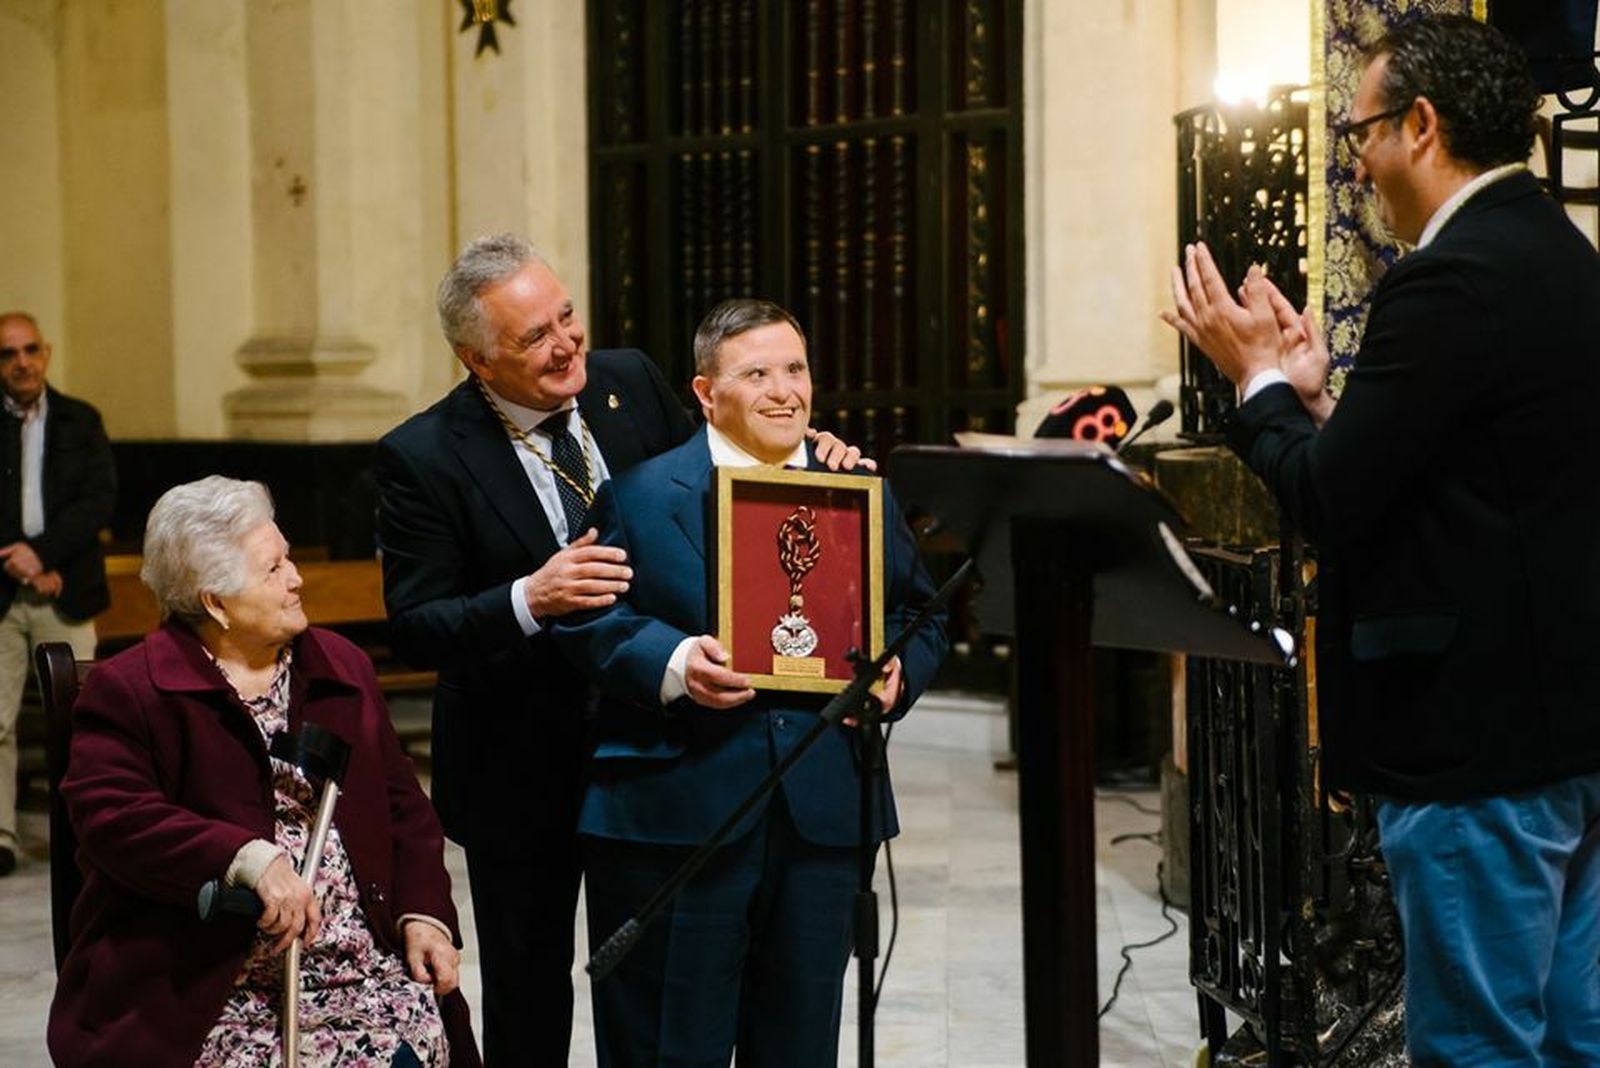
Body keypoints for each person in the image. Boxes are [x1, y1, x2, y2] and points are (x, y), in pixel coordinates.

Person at [1163, 16, 1600, 1066]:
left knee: (1478, 1045)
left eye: (1359, 130)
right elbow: (1456, 475)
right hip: (1573, 726)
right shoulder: (1560, 254)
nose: (1353, 158)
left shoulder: (1444, 279)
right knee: (1575, 1036)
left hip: (1477, 746)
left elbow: (1328, 502)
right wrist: (1319, 406)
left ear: (1420, 124)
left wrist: (1255, 382)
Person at [374, 234, 869, 1064]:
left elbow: (716, 482)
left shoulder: (629, 381)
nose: (567, 344)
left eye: (566, 317)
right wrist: (533, 597)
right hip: (522, 763)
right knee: (529, 989)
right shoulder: (421, 456)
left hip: (656, 747)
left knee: (646, 982)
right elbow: (418, 626)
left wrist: (813, 463)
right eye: (534, 337)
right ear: (476, 359)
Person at [551, 298, 948, 1067]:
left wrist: (898, 675)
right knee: (671, 1046)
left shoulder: (858, 492)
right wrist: (674, 665)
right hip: (676, 814)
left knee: (799, 1045)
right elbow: (588, 623)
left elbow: (921, 613)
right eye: (756, 373)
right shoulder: (637, 495)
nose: (783, 391)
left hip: (823, 820)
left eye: (795, 370)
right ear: (706, 393)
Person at [47, 476, 476, 1068]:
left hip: (360, 974)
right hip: (209, 986)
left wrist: (424, 916)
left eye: (289, 558)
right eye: (273, 569)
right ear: (215, 602)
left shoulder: (339, 667)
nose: (296, 578)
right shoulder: (132, 690)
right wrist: (244, 857)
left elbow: (403, 806)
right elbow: (111, 816)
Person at [0, 311, 115, 877]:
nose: (20, 362)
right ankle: (1, 836)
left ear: (45, 353)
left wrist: (44, 556)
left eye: (29, 350)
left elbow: (99, 500)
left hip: (66, 589)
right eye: (7, 353)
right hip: (3, 594)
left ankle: (84, 835)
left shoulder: (79, 420)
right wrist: (21, 564)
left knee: (79, 718)